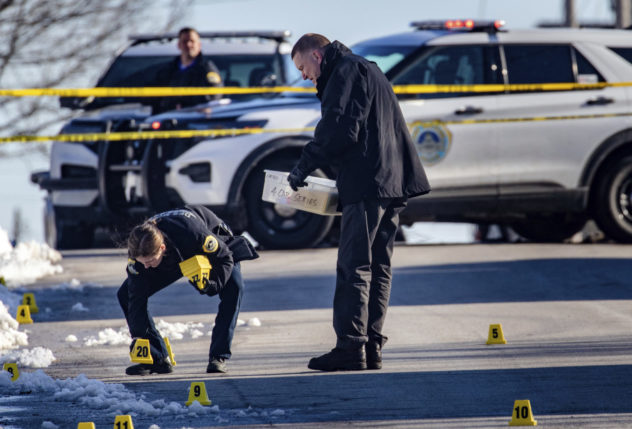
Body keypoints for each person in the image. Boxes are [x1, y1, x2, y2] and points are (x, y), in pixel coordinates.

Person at [287, 34, 431, 371]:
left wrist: (304, 165)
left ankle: (351, 348)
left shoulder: (345, 72)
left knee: (355, 265)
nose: (304, 76)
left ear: (317, 55)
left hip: (368, 182)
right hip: (393, 181)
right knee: (379, 266)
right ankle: (372, 347)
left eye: (303, 67)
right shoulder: (367, 68)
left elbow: (339, 129)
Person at [117, 205, 258, 375]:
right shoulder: (138, 250)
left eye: (150, 261)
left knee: (234, 289)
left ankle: (218, 357)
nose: (146, 266)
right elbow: (135, 299)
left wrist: (213, 285)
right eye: (142, 262)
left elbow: (225, 257)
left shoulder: (193, 233)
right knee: (126, 295)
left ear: (161, 248)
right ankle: (158, 359)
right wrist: (141, 341)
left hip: (212, 248)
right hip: (173, 256)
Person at [151, 27, 223, 113]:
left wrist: (186, 104)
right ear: (179, 45)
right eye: (185, 41)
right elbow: (156, 93)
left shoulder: (207, 69)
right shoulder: (168, 70)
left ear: (199, 45)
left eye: (192, 41)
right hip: (169, 118)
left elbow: (214, 94)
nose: (188, 45)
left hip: (196, 119)